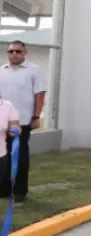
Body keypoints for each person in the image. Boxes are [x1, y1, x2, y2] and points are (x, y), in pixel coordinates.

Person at [0, 40, 46, 203]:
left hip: (22, 121)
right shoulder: (1, 70)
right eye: (11, 51)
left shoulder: (34, 70)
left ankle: (20, 191)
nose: (14, 54)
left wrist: (36, 116)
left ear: (25, 53)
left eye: (18, 51)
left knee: (20, 156)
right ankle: (3, 189)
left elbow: (39, 94)